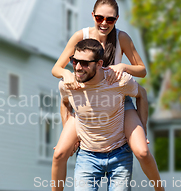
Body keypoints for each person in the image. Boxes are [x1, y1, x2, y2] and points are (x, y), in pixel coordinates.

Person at [50, 0, 164, 191]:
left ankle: (159, 187)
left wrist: (123, 66)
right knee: (60, 152)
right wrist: (67, 73)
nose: (104, 23)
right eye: (99, 17)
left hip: (117, 98)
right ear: (92, 15)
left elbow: (142, 70)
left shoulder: (121, 38)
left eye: (110, 19)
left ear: (117, 19)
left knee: (141, 151)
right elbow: (57, 68)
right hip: (85, 100)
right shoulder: (81, 37)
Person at [59, 39, 145, 190]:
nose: (78, 67)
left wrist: (142, 128)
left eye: (84, 63)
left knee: (143, 152)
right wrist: (70, 134)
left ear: (99, 64)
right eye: (74, 61)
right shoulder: (69, 84)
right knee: (58, 154)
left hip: (119, 154)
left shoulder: (119, 80)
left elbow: (142, 93)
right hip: (87, 156)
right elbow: (65, 102)